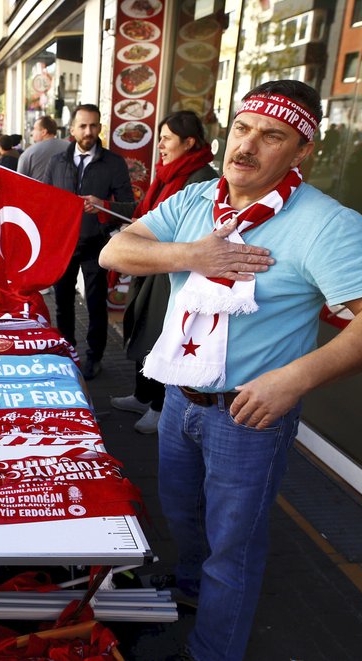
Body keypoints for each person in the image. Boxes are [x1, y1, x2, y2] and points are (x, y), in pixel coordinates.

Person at [99, 80, 362, 661]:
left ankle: (213, 650)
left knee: (233, 549)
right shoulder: (199, 200)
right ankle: (191, 590)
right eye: (242, 128)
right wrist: (193, 254)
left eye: (272, 136)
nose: (247, 145)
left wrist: (293, 380)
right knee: (182, 517)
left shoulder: (328, 224)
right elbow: (116, 250)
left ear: (301, 153)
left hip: (249, 413)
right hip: (180, 398)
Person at [112, 111, 218, 434]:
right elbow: (151, 215)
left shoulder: (200, 179)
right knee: (140, 326)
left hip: (173, 272)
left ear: (189, 142)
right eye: (159, 137)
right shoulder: (169, 173)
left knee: (160, 333)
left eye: (166, 138)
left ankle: (160, 406)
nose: (159, 145)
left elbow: (191, 231)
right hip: (153, 266)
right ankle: (143, 395)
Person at [44, 103, 135, 379]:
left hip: (97, 245)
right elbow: (46, 201)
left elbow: (129, 205)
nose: (88, 131)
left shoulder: (114, 163)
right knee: (62, 302)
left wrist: (104, 205)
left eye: (94, 125)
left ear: (100, 128)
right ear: (71, 129)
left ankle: (95, 356)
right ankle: (67, 349)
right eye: (82, 126)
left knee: (96, 304)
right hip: (63, 244)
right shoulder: (56, 162)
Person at [18, 115, 69, 181]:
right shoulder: (70, 147)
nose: (32, 132)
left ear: (44, 132)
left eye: (34, 129)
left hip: (37, 190)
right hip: (66, 191)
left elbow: (19, 181)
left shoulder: (29, 153)